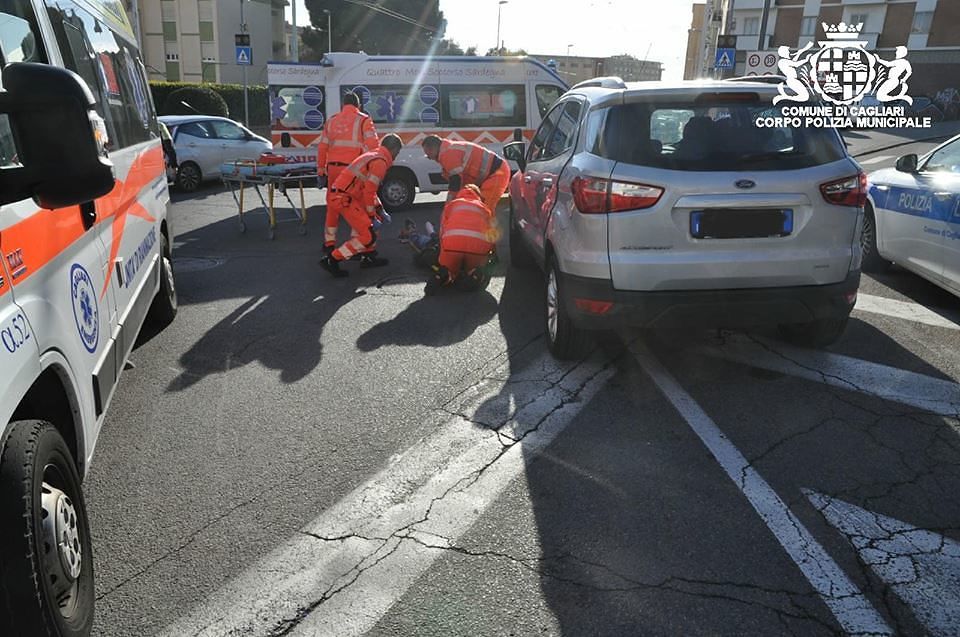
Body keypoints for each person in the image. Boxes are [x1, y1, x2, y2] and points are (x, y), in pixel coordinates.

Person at [320, 134, 403, 278]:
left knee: (370, 226)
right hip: (345, 198)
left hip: (343, 195)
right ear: (394, 149)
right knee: (368, 235)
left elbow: (368, 189)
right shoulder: (380, 162)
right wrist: (372, 215)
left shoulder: (373, 156)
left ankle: (368, 255)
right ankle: (333, 259)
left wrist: (379, 210)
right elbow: (369, 191)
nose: (397, 155)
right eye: (398, 152)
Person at [317, 92, 380, 253]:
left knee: (333, 206)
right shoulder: (363, 120)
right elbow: (373, 146)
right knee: (357, 206)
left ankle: (329, 243)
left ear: (343, 105)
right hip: (352, 171)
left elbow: (322, 147)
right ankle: (358, 244)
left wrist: (321, 170)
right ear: (358, 105)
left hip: (333, 169)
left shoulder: (331, 121)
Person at [425, 184, 498, 295]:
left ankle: (446, 274)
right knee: (474, 266)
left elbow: (443, 230)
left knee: (451, 267)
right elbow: (492, 234)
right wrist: (491, 253)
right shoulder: (485, 208)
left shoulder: (452, 205)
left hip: (451, 247)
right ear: (478, 195)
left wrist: (442, 248)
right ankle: (474, 273)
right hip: (477, 250)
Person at [421, 135, 511, 214]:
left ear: (432, 149)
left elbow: (455, 182)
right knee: (479, 208)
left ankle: (485, 231)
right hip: (493, 173)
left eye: (427, 154)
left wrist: (449, 205)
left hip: (496, 174)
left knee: (484, 208)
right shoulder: (448, 149)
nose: (428, 157)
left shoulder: (447, 154)